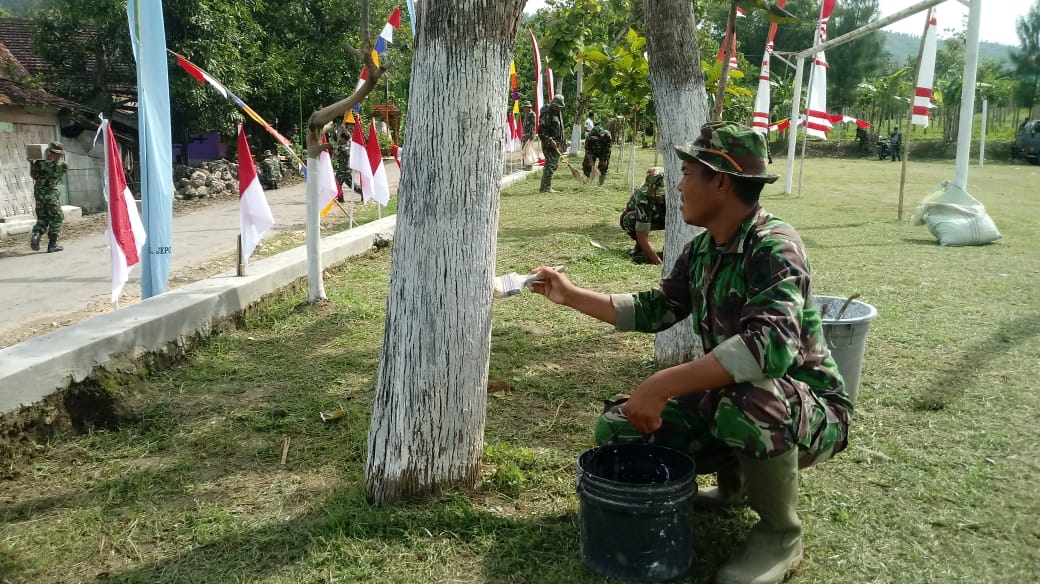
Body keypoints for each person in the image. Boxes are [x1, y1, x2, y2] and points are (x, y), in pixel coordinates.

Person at [530, 121, 852, 584]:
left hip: (807, 411)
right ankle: (733, 489)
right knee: (619, 427)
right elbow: (658, 308)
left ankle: (782, 533)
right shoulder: (703, 250)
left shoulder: (775, 247)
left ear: (720, 180)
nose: (678, 184)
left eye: (687, 172)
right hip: (738, 397)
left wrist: (661, 383)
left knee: (744, 399)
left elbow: (769, 352)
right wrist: (570, 293)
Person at [619, 167, 666, 265]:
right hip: (645, 218)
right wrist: (658, 263)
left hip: (662, 216)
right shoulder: (643, 198)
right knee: (629, 219)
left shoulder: (677, 195)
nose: (657, 196)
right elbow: (642, 236)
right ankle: (641, 248)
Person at [29, 141, 68, 253]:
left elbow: (34, 176)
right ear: (58, 153)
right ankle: (52, 245)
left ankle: (36, 235)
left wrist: (32, 163)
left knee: (42, 218)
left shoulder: (39, 163)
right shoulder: (63, 165)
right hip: (51, 195)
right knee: (57, 218)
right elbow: (58, 174)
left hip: (39, 195)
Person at [537, 95, 566, 193]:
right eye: (557, 106)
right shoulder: (546, 113)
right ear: (552, 103)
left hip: (557, 144)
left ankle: (545, 186)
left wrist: (563, 143)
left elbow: (561, 129)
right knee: (550, 164)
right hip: (549, 144)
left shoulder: (558, 112)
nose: (558, 108)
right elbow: (541, 131)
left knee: (554, 165)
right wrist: (549, 140)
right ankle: (545, 187)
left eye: (560, 107)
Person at [520, 101, 537, 170]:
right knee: (524, 150)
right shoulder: (526, 114)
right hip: (525, 135)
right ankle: (526, 165)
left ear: (528, 107)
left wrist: (530, 136)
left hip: (529, 135)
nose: (523, 108)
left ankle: (529, 166)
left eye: (524, 107)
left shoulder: (532, 114)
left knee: (529, 151)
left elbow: (532, 126)